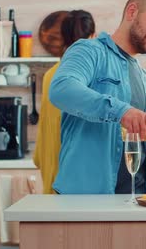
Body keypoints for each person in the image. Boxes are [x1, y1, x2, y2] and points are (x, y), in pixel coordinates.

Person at [49, 0, 146, 194]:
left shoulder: (141, 73)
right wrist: (121, 111)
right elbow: (62, 89)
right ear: (132, 11)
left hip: (136, 197)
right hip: (87, 199)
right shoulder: (89, 51)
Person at [32, 10, 96, 194]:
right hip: (77, 180)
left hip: (53, 173)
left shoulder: (51, 75)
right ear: (92, 37)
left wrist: (40, 158)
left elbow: (45, 125)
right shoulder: (91, 75)